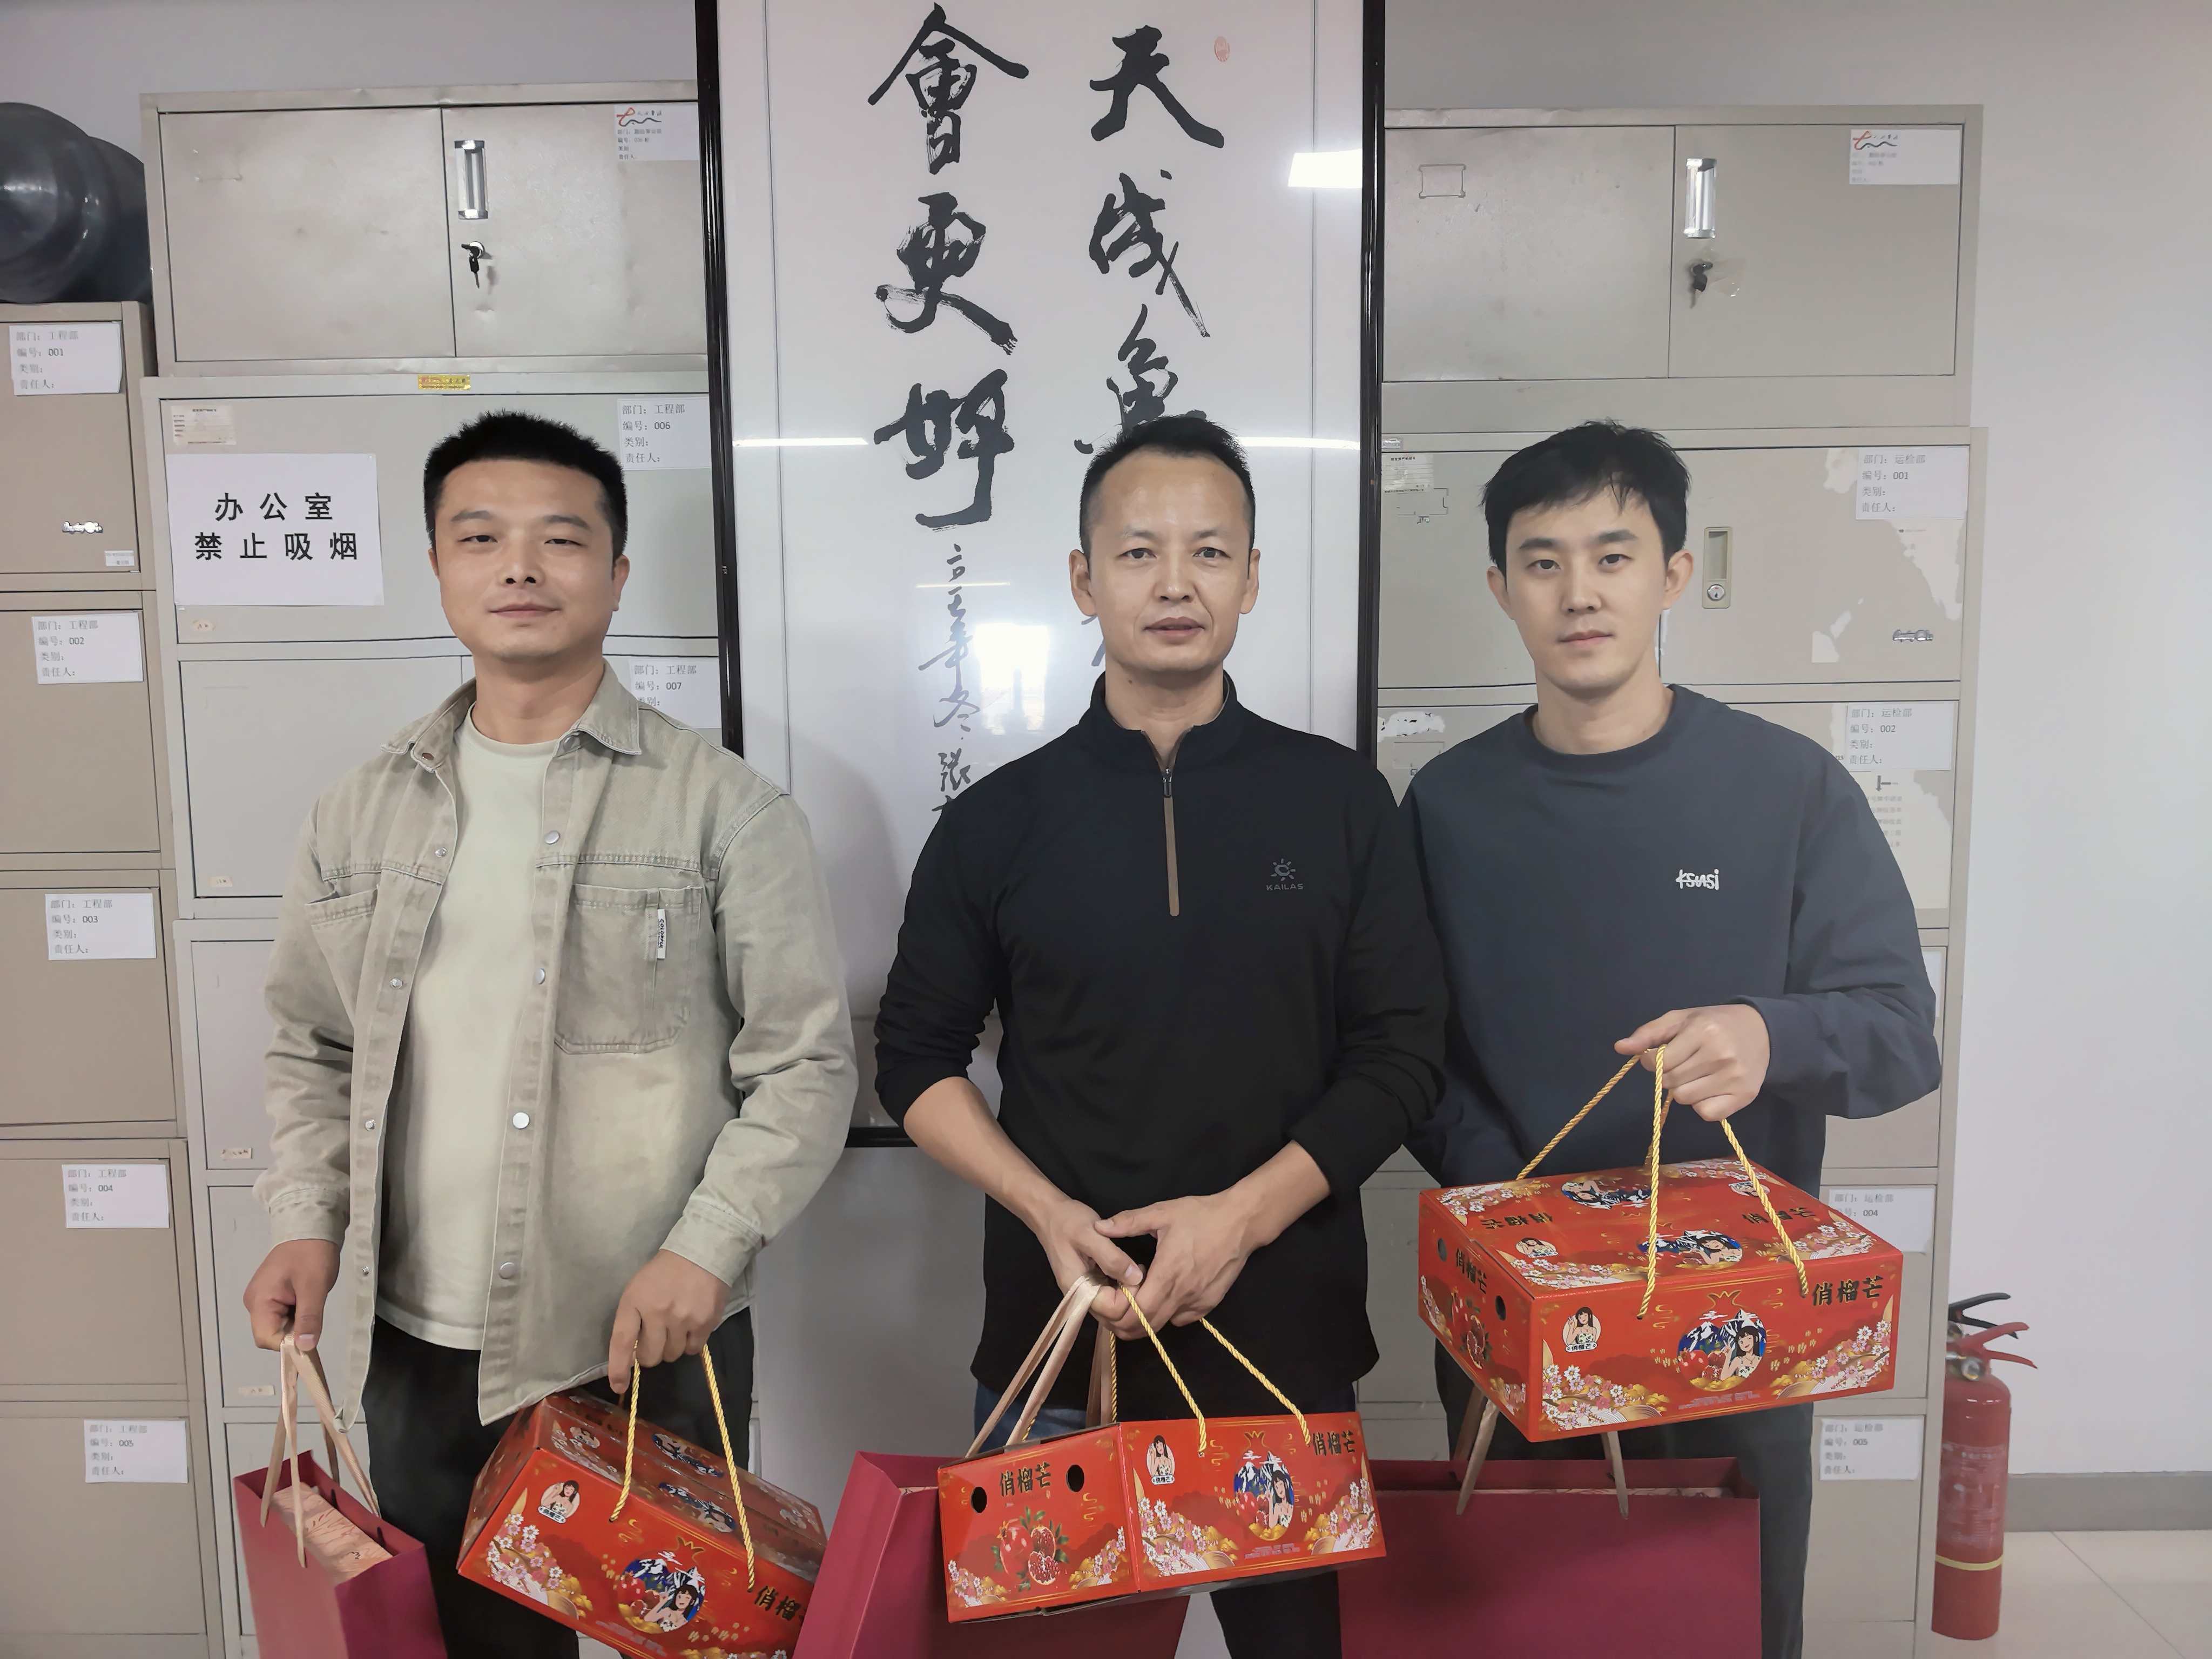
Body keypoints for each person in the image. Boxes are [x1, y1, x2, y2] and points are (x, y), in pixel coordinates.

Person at [240, 412, 855, 1656]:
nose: (519, 566)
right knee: (473, 1647)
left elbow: (804, 1064)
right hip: (415, 1342)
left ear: (616, 574)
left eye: (560, 539)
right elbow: (312, 1042)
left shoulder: (724, 810)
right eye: (480, 538)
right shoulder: (358, 815)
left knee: (685, 1641)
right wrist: (307, 1220)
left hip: (644, 1333)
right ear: (437, 566)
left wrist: (704, 1251)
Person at [874, 414, 1445, 1658]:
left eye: (1208, 551)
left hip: (1282, 1356)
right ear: (1083, 580)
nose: (1174, 583)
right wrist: (1043, 1212)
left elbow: (1403, 1053)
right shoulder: (996, 823)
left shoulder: (1340, 802)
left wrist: (1239, 1219)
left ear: (1251, 578)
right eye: (1138, 553)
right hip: (1057, 1344)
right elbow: (914, 1060)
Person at [1404, 420, 1941, 1659]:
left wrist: (1768, 1034)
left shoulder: (1787, 788)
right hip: (1523, 1319)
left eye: (1612, 556)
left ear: (1672, 574)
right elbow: (1407, 1051)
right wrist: (1516, 1207)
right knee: (1523, 1629)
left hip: (1732, 1329)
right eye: (1541, 562)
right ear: (1499, 588)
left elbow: (1897, 1035)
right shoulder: (1447, 805)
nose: (1578, 593)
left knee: (1723, 1627)